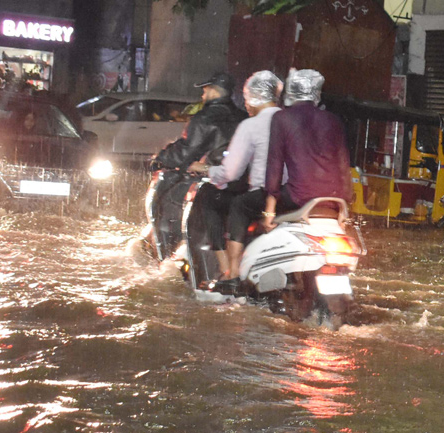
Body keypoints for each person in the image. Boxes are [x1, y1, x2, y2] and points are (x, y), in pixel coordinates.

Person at [151, 73, 246, 284]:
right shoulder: (243, 117)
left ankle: (170, 260)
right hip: (241, 185)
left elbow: (187, 149)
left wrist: (162, 158)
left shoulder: (205, 117)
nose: (202, 93)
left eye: (205, 89)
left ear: (213, 90)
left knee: (169, 207)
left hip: (210, 181)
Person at [206, 71, 284, 290]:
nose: (246, 104)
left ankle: (232, 273)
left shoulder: (251, 125)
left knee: (235, 205)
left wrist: (211, 172)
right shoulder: (291, 120)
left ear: (255, 97)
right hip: (296, 195)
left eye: (247, 97)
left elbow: (230, 173)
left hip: (265, 196)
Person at [262, 69, 353, 231]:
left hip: (299, 197)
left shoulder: (282, 118)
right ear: (317, 93)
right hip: (334, 200)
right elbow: (343, 165)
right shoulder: (333, 120)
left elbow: (275, 165)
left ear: (291, 92)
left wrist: (269, 211)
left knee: (243, 205)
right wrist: (344, 207)